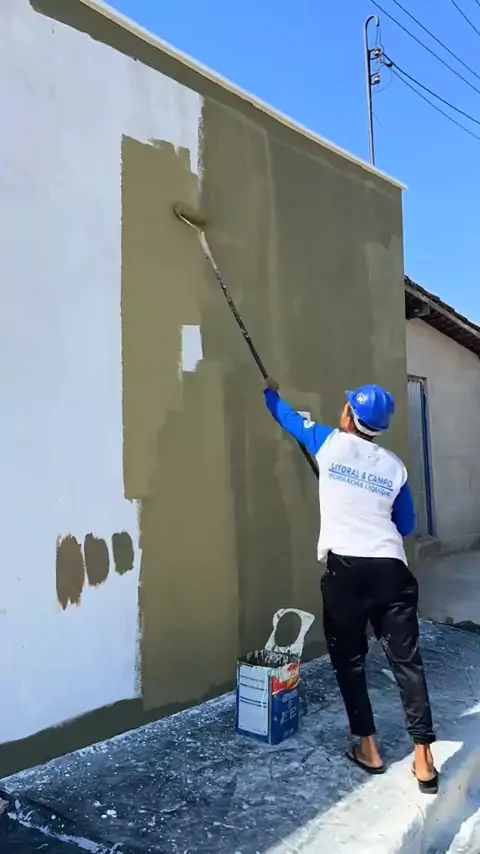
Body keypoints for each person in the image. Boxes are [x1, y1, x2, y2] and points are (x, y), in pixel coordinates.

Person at [264, 377, 438, 794]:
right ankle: (424, 759)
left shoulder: (328, 442)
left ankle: (369, 748)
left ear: (348, 415)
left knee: (350, 659)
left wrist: (270, 392)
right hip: (391, 570)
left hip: (347, 570)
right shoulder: (395, 466)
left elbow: (287, 418)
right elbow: (406, 525)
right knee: (407, 661)